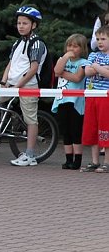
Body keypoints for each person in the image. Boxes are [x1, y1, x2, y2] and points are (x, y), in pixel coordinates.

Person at [0, 6, 47, 167]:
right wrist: (4, 82)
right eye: (19, 23)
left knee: (30, 119)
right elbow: (10, 64)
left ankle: (30, 155)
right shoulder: (18, 42)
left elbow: (33, 69)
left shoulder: (37, 44)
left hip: (28, 86)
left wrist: (18, 86)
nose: (21, 26)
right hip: (11, 84)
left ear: (34, 25)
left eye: (25, 23)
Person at [52, 34, 89, 170]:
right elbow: (56, 71)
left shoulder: (84, 62)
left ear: (82, 48)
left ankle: (77, 159)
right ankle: (68, 159)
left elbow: (77, 78)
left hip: (76, 101)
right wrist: (65, 58)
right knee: (65, 130)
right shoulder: (63, 59)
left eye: (75, 46)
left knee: (75, 130)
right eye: (69, 45)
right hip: (62, 100)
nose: (71, 49)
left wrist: (62, 73)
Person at [81, 26, 109, 172]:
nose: (100, 42)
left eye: (103, 39)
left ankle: (107, 162)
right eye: (98, 39)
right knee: (92, 128)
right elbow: (87, 72)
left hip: (106, 96)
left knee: (105, 128)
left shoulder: (95, 60)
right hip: (91, 95)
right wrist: (103, 68)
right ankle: (94, 161)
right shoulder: (93, 55)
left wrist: (96, 67)